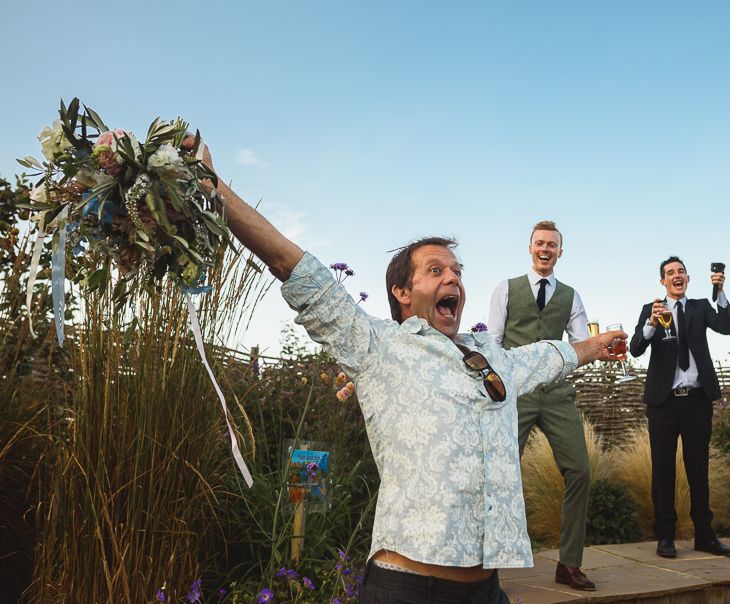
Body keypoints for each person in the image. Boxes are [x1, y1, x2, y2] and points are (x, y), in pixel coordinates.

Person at [187, 138, 626, 603]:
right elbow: (294, 267)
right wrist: (216, 188)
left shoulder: (491, 357)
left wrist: (597, 344)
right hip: (408, 590)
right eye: (436, 270)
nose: (453, 278)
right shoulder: (379, 347)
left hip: (487, 593)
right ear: (402, 292)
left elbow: (548, 357)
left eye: (457, 270)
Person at [487, 220, 594, 591]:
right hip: (516, 391)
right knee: (500, 474)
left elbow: (580, 347)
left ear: (560, 252)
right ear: (530, 248)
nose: (545, 249)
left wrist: (602, 350)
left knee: (580, 470)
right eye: (540, 243)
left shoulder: (571, 296)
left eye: (552, 244)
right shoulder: (506, 289)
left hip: (557, 391)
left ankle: (569, 564)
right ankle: (487, 570)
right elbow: (494, 344)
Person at [629, 256, 730, 559]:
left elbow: (726, 326)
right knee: (663, 470)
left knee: (698, 469)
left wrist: (721, 292)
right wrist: (649, 323)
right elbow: (635, 348)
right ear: (662, 281)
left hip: (697, 401)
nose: (677, 275)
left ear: (687, 278)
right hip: (663, 404)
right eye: (670, 272)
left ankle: (705, 536)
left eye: (681, 272)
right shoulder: (653, 310)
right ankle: (665, 537)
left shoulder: (700, 307)